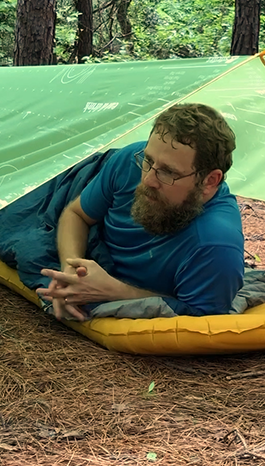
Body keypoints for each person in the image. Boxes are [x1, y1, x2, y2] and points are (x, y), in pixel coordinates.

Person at [36, 103, 245, 321]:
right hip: (84, 177)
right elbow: (76, 214)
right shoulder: (130, 162)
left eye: (168, 172)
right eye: (149, 160)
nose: (147, 180)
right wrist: (70, 270)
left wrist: (115, 292)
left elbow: (198, 320)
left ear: (209, 181)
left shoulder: (215, 246)